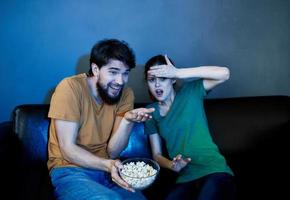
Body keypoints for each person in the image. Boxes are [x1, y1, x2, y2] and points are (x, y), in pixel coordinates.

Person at [47, 39, 154, 200]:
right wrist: (108, 164)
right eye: (113, 71)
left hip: (107, 170)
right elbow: (67, 150)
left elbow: (113, 151)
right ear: (95, 69)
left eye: (125, 73)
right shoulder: (70, 88)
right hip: (70, 169)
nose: (120, 81)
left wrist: (127, 121)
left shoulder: (125, 94)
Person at [144, 55, 236, 200]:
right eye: (151, 80)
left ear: (172, 79)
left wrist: (178, 72)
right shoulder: (150, 112)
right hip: (185, 177)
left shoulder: (191, 92)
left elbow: (225, 74)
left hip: (213, 169)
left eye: (163, 78)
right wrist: (172, 165)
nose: (157, 85)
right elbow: (156, 155)